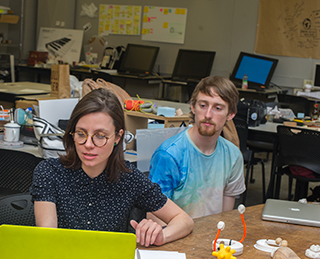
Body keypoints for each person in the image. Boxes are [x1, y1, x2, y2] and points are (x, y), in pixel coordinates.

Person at [30, 88, 193, 247]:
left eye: (100, 136)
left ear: (117, 137)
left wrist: (161, 236)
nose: (88, 145)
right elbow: (48, 241)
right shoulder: (49, 172)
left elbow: (183, 220)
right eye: (81, 134)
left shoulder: (129, 178)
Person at [149, 76, 246, 219]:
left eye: (217, 108)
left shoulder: (233, 155)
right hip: (175, 237)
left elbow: (226, 217)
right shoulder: (169, 154)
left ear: (230, 114)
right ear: (193, 107)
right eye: (203, 105)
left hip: (213, 236)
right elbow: (154, 217)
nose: (208, 115)